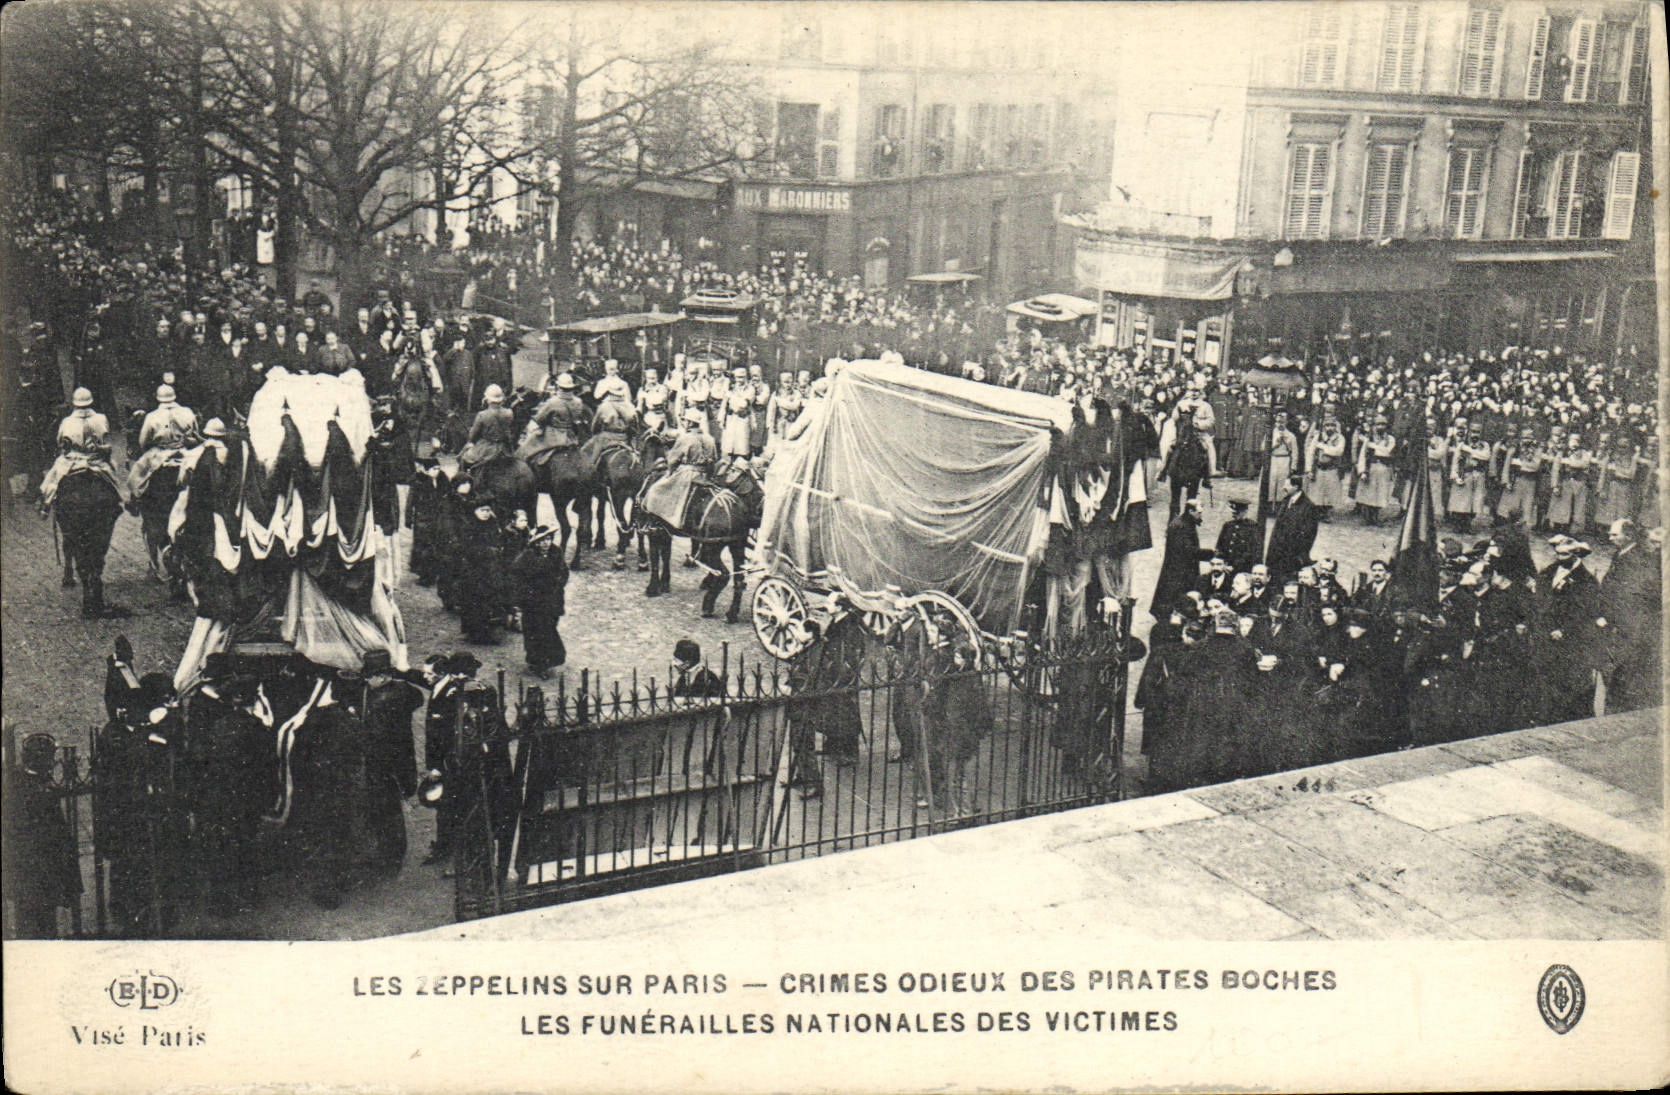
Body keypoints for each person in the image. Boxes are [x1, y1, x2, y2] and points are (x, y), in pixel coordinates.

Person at [2, 734, 81, 937]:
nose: (54, 762)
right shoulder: (33, 788)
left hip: (36, 871)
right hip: (36, 869)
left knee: (39, 919)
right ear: (42, 759)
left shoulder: (28, 782)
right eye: (50, 757)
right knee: (36, 922)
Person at [511, 523, 569, 678]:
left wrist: (557, 584)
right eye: (542, 540)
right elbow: (517, 579)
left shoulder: (556, 553)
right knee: (537, 632)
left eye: (549, 539)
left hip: (553, 600)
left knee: (549, 627)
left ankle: (546, 661)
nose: (546, 543)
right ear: (535, 542)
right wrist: (527, 596)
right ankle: (538, 664)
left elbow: (564, 572)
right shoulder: (526, 557)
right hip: (534, 603)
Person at [1150, 497, 1205, 620]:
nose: (1200, 515)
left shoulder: (1184, 522)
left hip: (1180, 569)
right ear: (1191, 511)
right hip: (1179, 571)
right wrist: (1210, 554)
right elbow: (1188, 551)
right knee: (1175, 596)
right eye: (1199, 512)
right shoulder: (1181, 526)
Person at [1265, 475, 1321, 583]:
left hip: (1291, 556)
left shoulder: (1308, 507)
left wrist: (1299, 555)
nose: (1283, 488)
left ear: (1296, 487)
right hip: (1277, 554)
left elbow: (1309, 535)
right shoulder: (1286, 501)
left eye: (1287, 485)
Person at [1214, 497, 1262, 577]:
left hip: (1242, 571)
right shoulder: (1227, 526)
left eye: (1237, 513)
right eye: (1233, 513)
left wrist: (1234, 566)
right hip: (1225, 570)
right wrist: (1222, 564)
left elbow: (1251, 552)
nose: (1234, 515)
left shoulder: (1252, 527)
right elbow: (1219, 547)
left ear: (1245, 512)